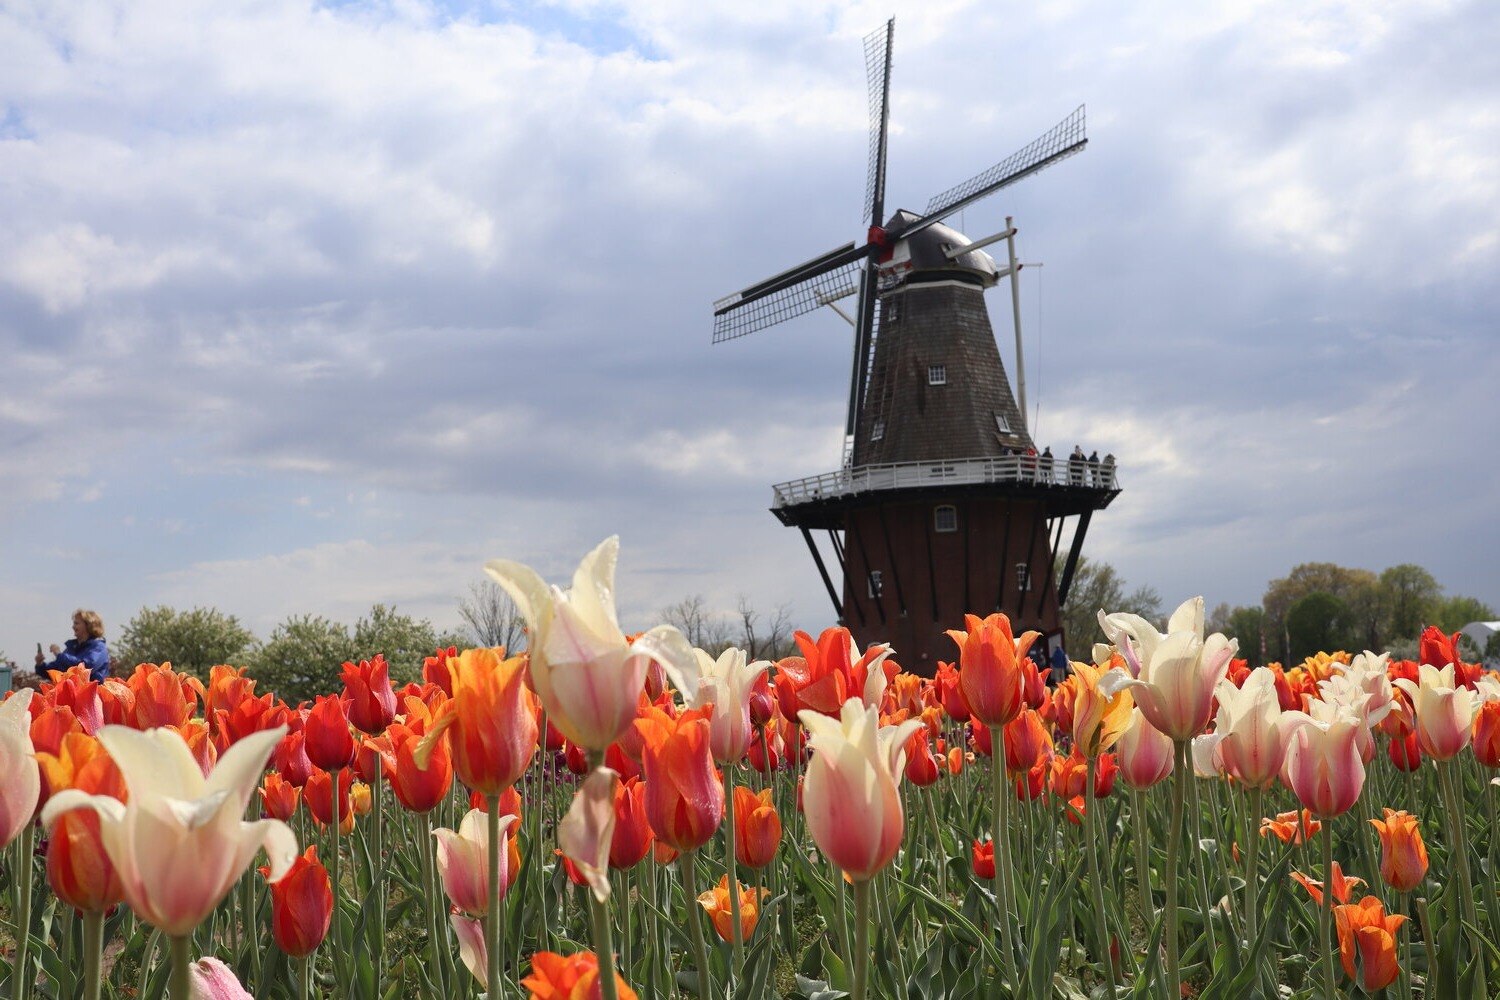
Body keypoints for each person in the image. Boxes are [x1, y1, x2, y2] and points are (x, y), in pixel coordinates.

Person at [36, 608, 111, 683]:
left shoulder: (99, 647)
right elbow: (56, 671)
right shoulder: (71, 648)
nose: (73, 627)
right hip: (73, 690)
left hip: (93, 690)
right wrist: (40, 664)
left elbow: (85, 667)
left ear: (88, 625)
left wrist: (59, 654)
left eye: (76, 623)